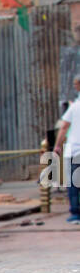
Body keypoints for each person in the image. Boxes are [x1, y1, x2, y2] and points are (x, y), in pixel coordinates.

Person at [54, 78, 80, 223]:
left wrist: (57, 146)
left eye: (75, 85)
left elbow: (64, 127)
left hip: (75, 149)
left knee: (74, 183)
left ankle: (76, 213)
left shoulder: (75, 107)